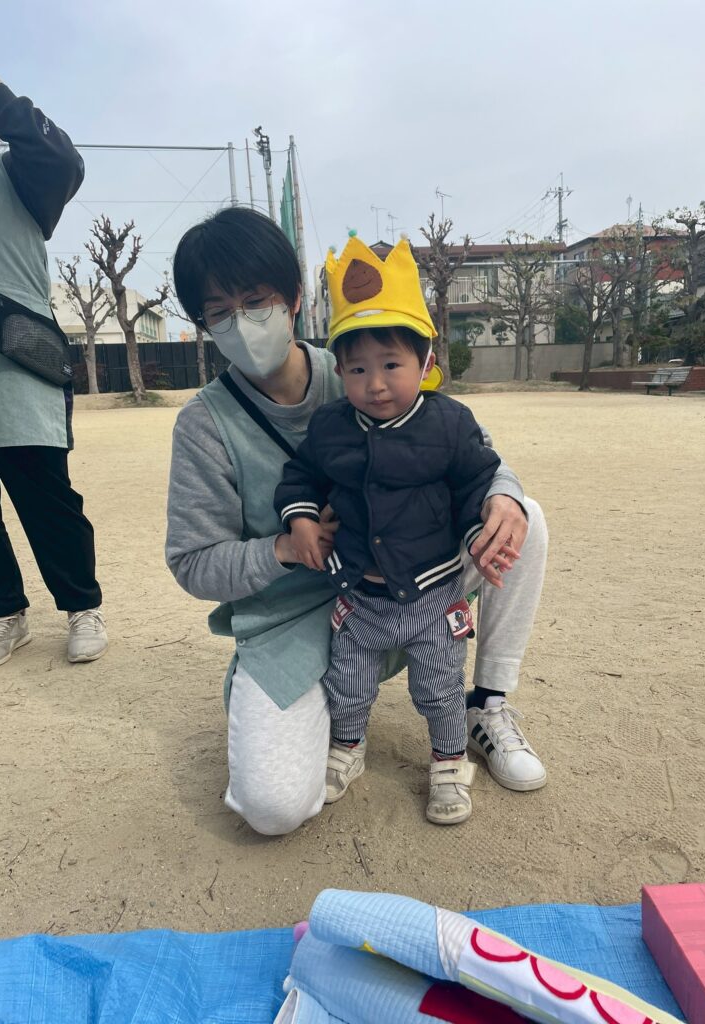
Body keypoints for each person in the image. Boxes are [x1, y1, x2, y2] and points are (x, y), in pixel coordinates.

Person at [167, 207, 548, 836]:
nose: (241, 322)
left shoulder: (363, 355)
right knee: (272, 809)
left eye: (255, 302)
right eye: (219, 312)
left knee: (522, 517)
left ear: (294, 299)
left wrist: (502, 495)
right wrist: (284, 548)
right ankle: (317, 715)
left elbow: (470, 454)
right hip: (296, 616)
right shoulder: (205, 425)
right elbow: (192, 562)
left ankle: (485, 704)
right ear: (204, 324)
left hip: (416, 581)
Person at [273, 236, 506, 825]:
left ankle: (449, 762)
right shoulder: (331, 427)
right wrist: (300, 517)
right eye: (357, 369)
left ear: (424, 362)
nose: (375, 384)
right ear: (339, 371)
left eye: (391, 365)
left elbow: (477, 482)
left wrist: (481, 533)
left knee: (440, 688)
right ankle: (347, 747)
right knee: (348, 682)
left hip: (433, 595)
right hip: (359, 593)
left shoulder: (449, 423)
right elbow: (300, 476)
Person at [0, 76, 108, 667]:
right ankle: (4, 612)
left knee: (46, 494)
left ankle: (82, 606)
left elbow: (63, 159)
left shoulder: (16, 171)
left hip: (16, 355)